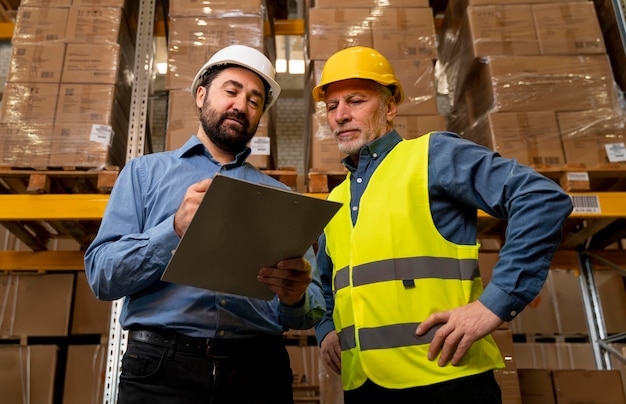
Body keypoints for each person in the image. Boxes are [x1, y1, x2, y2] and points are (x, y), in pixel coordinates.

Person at [312, 46, 573, 403]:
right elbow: (326, 282)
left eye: (355, 101)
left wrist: (494, 305)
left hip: (447, 384)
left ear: (389, 108)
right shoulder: (336, 199)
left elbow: (542, 199)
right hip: (364, 388)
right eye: (332, 106)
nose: (341, 115)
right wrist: (326, 329)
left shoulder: (432, 155)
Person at [84, 44, 325, 404]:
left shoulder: (280, 198)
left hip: (258, 371)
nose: (241, 106)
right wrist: (173, 231)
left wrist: (295, 299)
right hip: (161, 370)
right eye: (231, 91)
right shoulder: (144, 174)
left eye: (254, 101)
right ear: (201, 95)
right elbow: (103, 276)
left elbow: (312, 305)